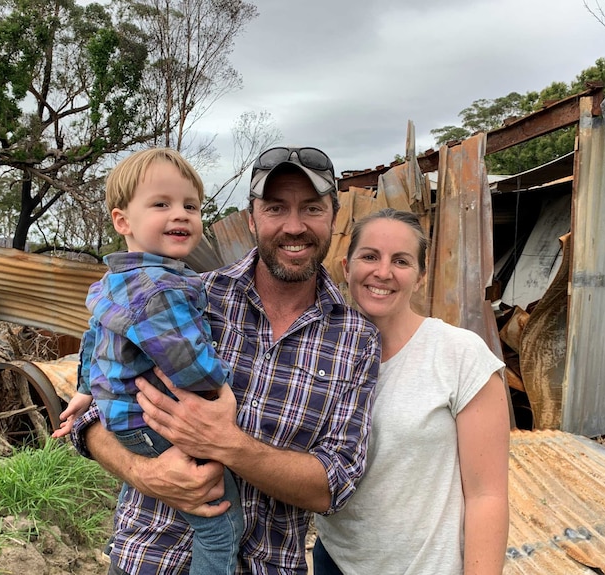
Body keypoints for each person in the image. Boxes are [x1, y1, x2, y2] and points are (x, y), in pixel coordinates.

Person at [70, 145, 381, 575]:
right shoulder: (187, 295)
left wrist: (227, 444)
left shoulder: (356, 339)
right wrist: (143, 472)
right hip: (149, 560)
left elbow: (337, 482)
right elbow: (88, 420)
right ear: (252, 219)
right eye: (275, 208)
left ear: (334, 218)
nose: (294, 226)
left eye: (311, 208)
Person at [58, 147, 244, 575]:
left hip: (122, 418)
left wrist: (87, 389)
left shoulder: (117, 280)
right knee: (220, 524)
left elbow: (94, 336)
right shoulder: (157, 290)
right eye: (162, 204)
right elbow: (190, 369)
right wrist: (225, 390)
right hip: (149, 421)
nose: (180, 214)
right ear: (123, 221)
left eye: (190, 206)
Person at [313, 208, 510, 575]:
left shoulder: (459, 355)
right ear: (346, 266)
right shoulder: (322, 355)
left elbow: (488, 496)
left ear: (419, 277)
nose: (382, 272)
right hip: (335, 561)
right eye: (369, 256)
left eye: (401, 261)